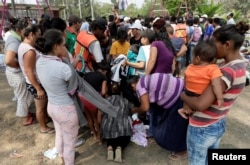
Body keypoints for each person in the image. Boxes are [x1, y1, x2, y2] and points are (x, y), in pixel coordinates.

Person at [179, 22, 249, 165]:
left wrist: (182, 95)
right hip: (218, 121)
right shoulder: (240, 64)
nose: (210, 47)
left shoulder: (226, 72)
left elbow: (200, 104)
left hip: (202, 127)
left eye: (213, 42)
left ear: (227, 45)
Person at [35, 29, 79, 165]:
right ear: (56, 46)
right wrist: (73, 65)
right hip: (66, 110)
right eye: (63, 45)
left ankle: (61, 156)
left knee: (60, 134)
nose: (64, 48)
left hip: (52, 107)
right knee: (70, 145)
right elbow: (73, 88)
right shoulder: (62, 68)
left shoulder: (40, 61)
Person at [128, 74, 188, 160]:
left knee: (175, 128)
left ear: (133, 85)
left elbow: (145, 107)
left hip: (178, 98)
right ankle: (183, 145)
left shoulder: (139, 86)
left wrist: (135, 110)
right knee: (179, 125)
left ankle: (182, 150)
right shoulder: (145, 78)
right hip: (182, 89)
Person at [18, 24, 54, 133]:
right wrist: (38, 88)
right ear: (31, 34)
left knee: (42, 106)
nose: (38, 38)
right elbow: (29, 71)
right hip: (36, 82)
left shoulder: (24, 45)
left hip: (34, 81)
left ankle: (45, 120)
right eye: (37, 35)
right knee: (40, 107)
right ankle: (44, 128)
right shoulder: (29, 51)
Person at [178, 41, 224, 119]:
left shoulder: (190, 67)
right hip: (201, 94)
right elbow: (216, 84)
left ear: (198, 58)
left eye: (193, 56)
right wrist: (220, 98)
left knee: (188, 101)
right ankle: (188, 111)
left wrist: (186, 90)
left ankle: (185, 110)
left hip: (188, 92)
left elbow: (186, 80)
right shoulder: (213, 68)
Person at [4, 18, 34, 126]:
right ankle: (25, 119)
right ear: (19, 30)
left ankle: (25, 113)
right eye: (24, 31)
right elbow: (8, 60)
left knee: (21, 95)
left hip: (12, 72)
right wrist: (20, 66)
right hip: (15, 73)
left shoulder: (13, 37)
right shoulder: (14, 41)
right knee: (23, 96)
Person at [101, 83, 133, 163]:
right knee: (124, 137)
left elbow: (99, 118)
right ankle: (119, 148)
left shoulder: (105, 101)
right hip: (122, 127)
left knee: (110, 137)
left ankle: (110, 148)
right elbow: (130, 113)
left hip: (107, 127)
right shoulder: (125, 100)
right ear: (120, 91)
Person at [81, 61, 110, 144]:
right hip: (91, 99)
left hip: (82, 97)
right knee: (96, 119)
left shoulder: (87, 74)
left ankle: (94, 135)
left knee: (89, 118)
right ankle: (100, 140)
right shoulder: (103, 77)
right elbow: (104, 92)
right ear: (105, 71)